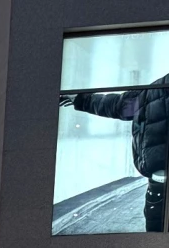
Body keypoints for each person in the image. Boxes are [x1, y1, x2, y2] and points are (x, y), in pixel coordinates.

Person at [66, 75, 169, 229]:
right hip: (160, 181)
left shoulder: (153, 90)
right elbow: (118, 105)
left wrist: (82, 99)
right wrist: (82, 100)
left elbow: (118, 105)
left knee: (157, 236)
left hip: (160, 181)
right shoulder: (152, 91)